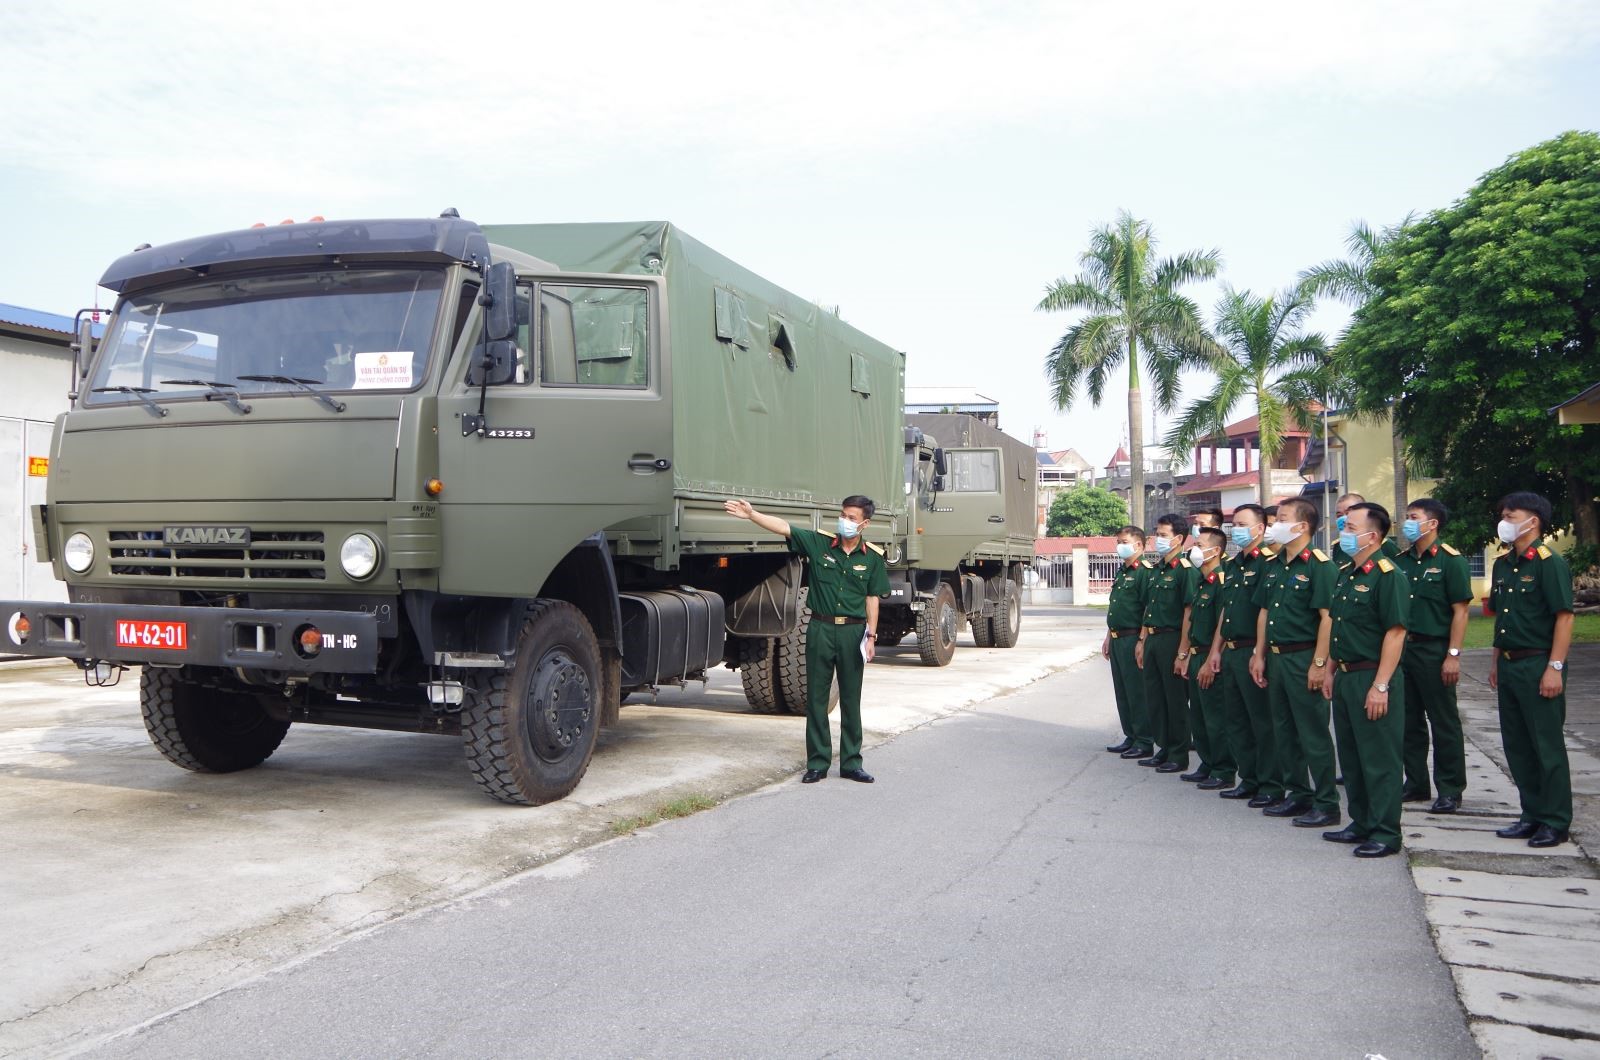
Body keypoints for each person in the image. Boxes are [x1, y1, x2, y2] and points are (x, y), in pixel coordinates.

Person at [724, 495, 889, 784]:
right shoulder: (820, 543)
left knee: (851, 699)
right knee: (815, 699)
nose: (845, 522)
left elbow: (872, 598)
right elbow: (785, 528)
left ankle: (852, 763)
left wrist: (871, 636)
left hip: (853, 633)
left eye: (851, 518)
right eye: (843, 515)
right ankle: (818, 763)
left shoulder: (873, 558)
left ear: (865, 523)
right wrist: (752, 514)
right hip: (820, 629)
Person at [1321, 503, 1410, 858]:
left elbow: (1395, 632)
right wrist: (1328, 669)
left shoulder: (1388, 576)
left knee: (1380, 758)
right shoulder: (1347, 573)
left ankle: (1386, 832)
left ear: (1371, 536)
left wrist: (1381, 685)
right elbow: (1338, 627)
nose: (1342, 530)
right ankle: (1360, 821)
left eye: (1350, 525)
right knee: (1353, 755)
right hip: (1345, 675)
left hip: (1372, 675)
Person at [1488, 492, 1575, 848]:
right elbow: (1502, 618)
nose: (1504, 521)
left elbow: (1564, 617)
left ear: (1533, 521)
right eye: (1503, 515)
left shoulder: (1548, 562)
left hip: (1539, 662)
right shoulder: (1503, 564)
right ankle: (1531, 814)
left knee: (1546, 746)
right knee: (1518, 745)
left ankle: (1555, 820)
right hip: (1510, 665)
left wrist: (1555, 667)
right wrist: (1494, 662)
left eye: (1511, 516)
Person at [1250, 497, 1341, 829]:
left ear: (1302, 526)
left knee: (1312, 732)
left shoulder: (1320, 566)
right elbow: (1264, 612)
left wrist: (1319, 663)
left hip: (1304, 657)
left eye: (1282, 518)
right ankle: (1298, 793)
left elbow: (1327, 619)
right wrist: (1258, 654)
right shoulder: (1275, 565)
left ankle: (1327, 802)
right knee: (1284, 730)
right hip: (1275, 658)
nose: (1276, 524)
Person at [1393, 499, 1474, 814]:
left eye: (1413, 517)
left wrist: (1453, 655)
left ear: (1433, 523)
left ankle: (1451, 789)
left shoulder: (1451, 561)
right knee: (1407, 720)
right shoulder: (1401, 561)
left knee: (1443, 722)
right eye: (1406, 517)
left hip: (1434, 649)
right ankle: (1415, 783)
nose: (1407, 523)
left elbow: (1461, 611)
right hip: (1404, 650)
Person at [1206, 504, 1280, 805]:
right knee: (1236, 720)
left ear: (1260, 529)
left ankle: (1271, 784)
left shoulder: (1268, 562)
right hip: (1232, 650)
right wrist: (1216, 649)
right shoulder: (1234, 564)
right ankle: (1247, 779)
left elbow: (1266, 610)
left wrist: (1259, 653)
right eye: (1232, 523)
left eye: (1241, 523)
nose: (1234, 528)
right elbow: (1227, 609)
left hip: (1252, 649)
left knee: (1260, 721)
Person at [1137, 514, 1196, 773]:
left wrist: (1183, 650)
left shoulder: (1185, 571)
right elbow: (1148, 607)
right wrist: (1142, 640)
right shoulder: (1157, 570)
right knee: (1155, 697)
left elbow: (1189, 613)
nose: (1157, 540)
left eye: (1163, 535)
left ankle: (1178, 753)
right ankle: (1164, 746)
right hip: (1153, 637)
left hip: (1173, 638)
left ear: (1178, 539)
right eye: (1157, 534)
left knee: (1175, 700)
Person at [1176, 526, 1234, 789]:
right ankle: (1207, 762)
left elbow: (1223, 624)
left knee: (1215, 716)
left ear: (1216, 551)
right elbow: (1192, 621)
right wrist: (1186, 654)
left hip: (1212, 655)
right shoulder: (1202, 581)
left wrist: (1214, 656)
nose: (1194, 550)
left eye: (1199, 545)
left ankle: (1223, 769)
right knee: (1198, 715)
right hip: (1197, 654)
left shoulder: (1222, 581)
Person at [1104, 526, 1156, 759]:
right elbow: (1116, 607)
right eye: (1118, 541)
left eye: (1124, 541)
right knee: (1122, 690)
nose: (1119, 545)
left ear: (1138, 545)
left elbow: (1148, 609)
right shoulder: (1122, 571)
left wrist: (1142, 640)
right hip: (1117, 637)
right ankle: (1131, 735)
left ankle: (1144, 740)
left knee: (1136, 691)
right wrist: (1107, 636)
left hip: (1133, 637)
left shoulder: (1144, 572)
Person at [1331, 492, 1402, 566]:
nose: (1344, 518)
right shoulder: (1340, 545)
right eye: (1339, 515)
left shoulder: (1385, 545)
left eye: (1348, 512)